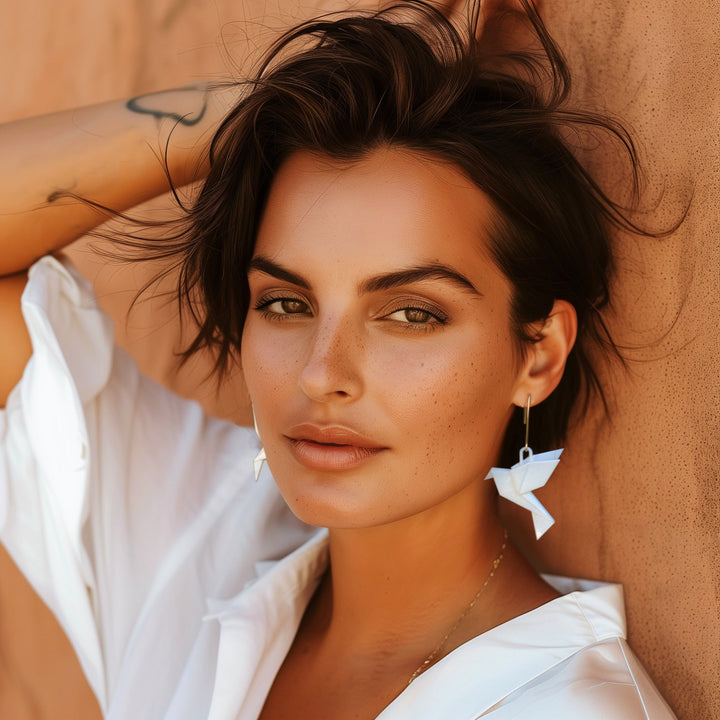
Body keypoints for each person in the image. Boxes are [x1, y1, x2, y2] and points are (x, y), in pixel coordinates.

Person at [0, 0, 678, 717]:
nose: (322, 373)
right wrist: (266, 106)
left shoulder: (570, 708)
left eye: (411, 314)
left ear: (536, 358)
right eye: (287, 304)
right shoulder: (197, 548)